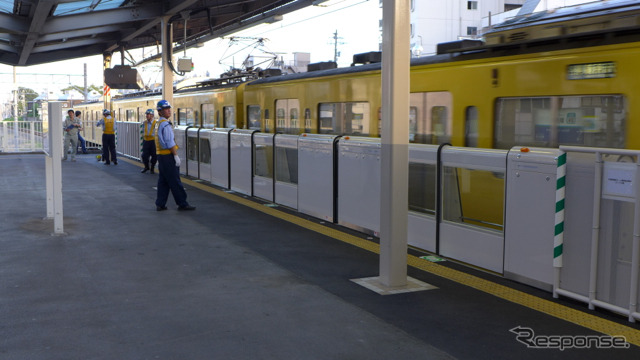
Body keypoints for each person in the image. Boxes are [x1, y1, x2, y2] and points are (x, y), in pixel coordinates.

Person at [154, 100, 195, 211]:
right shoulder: (166, 125)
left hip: (161, 156)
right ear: (160, 112)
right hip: (168, 156)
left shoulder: (158, 124)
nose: (169, 111)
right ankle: (182, 203)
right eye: (166, 109)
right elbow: (169, 142)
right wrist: (175, 156)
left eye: (169, 108)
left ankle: (160, 203)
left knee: (163, 181)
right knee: (175, 181)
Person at [140, 108, 157, 174]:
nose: (147, 116)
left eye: (148, 114)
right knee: (144, 155)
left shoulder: (155, 123)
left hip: (153, 141)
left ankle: (152, 167)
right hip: (146, 141)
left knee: (154, 156)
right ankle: (146, 166)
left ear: (152, 115)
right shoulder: (144, 123)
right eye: (146, 114)